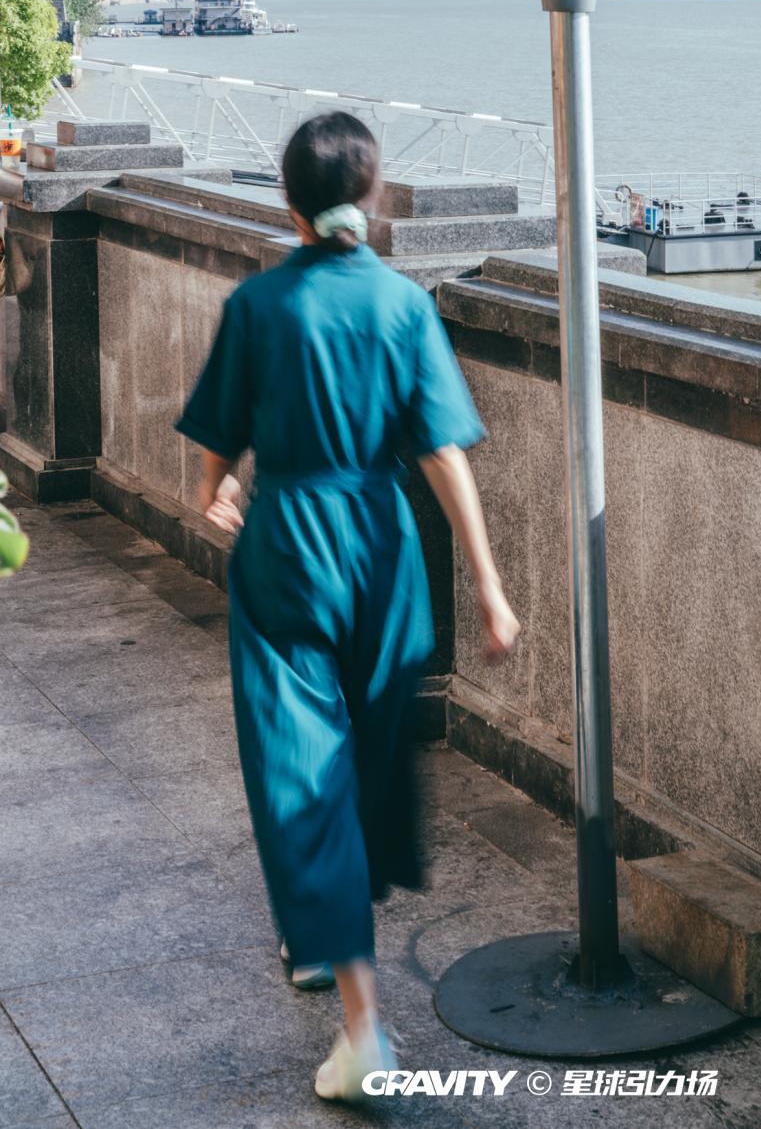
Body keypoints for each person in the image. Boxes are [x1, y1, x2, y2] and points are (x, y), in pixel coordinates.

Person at [176, 110, 519, 1102]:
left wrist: (215, 488)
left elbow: (216, 444)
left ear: (285, 200)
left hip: (289, 548)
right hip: (383, 551)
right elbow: (440, 450)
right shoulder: (403, 303)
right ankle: (328, 930)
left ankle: (362, 1024)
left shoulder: (260, 304)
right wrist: (490, 586)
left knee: (302, 769)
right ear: (373, 197)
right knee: (364, 761)